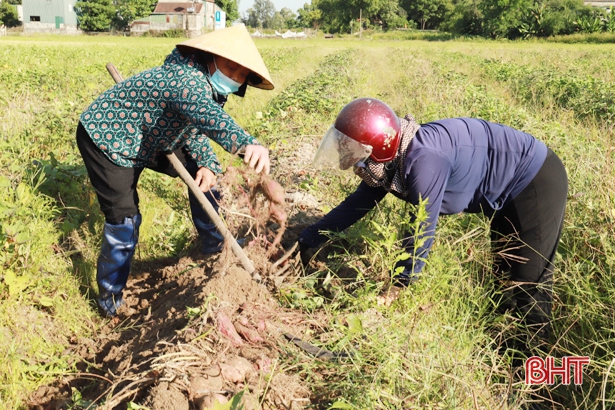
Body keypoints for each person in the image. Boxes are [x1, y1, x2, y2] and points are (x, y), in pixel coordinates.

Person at [298, 97, 567, 344]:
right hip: (509, 185)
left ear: (378, 146)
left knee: (527, 284)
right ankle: (504, 347)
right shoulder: (388, 160)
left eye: (356, 152)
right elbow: (355, 206)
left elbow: (421, 229)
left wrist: (395, 290)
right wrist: (307, 238)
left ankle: (535, 380)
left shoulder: (424, 160)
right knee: (503, 275)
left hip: (535, 179)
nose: (352, 161)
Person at [77, 24, 274, 317]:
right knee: (125, 221)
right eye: (231, 67)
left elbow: (193, 127)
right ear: (211, 57)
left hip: (153, 135)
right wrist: (247, 143)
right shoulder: (183, 80)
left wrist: (208, 162)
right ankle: (110, 301)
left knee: (205, 175)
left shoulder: (208, 83)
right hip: (110, 139)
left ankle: (213, 243)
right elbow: (204, 114)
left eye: (242, 74)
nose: (234, 77)